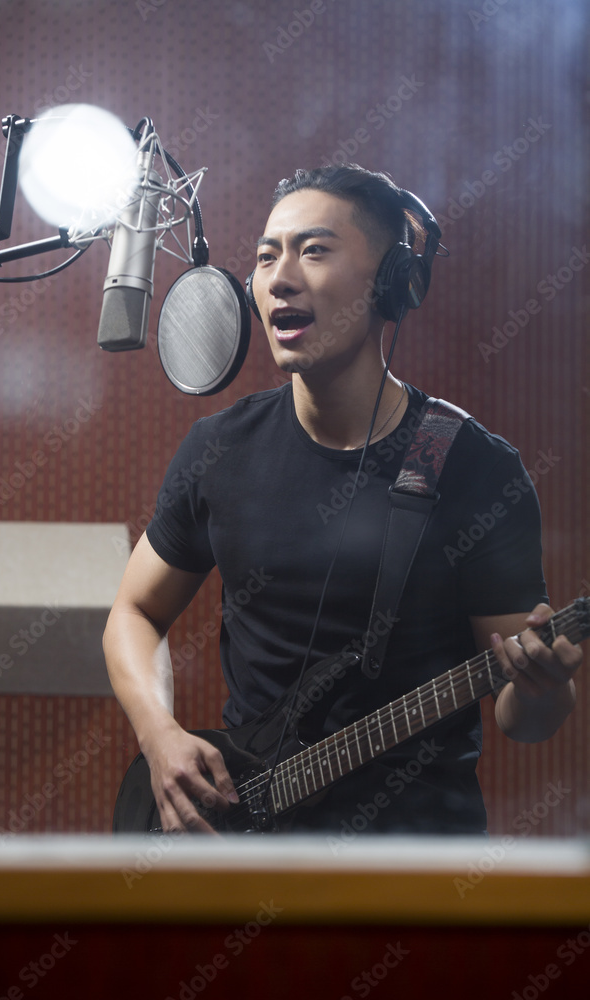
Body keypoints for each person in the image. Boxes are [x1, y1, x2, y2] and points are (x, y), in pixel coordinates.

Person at [103, 165, 582, 836]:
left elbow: (522, 720)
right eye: (267, 255)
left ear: (390, 284)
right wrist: (159, 736)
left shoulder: (472, 467)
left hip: (410, 859)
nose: (279, 276)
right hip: (245, 833)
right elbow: (134, 609)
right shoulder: (220, 449)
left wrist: (543, 689)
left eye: (314, 250)